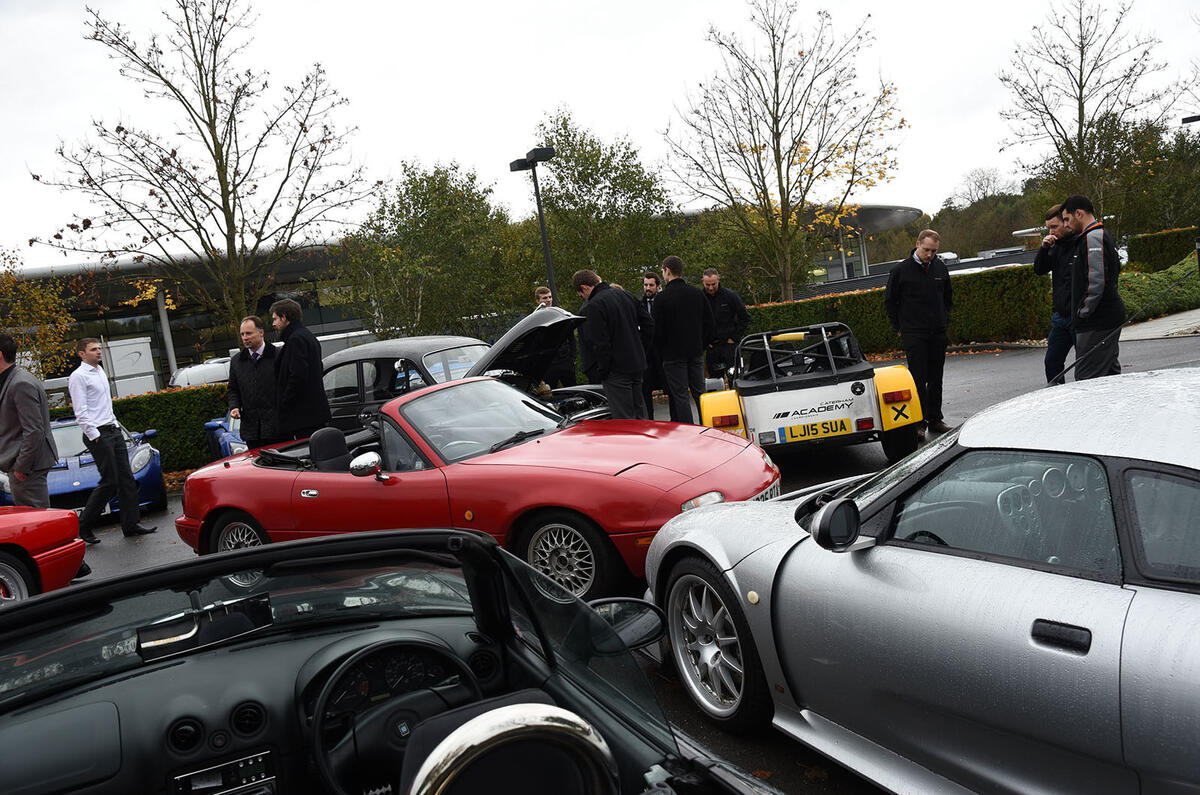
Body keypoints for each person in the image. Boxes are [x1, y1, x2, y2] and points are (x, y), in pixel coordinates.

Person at [67, 338, 156, 542]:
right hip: (98, 435)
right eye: (93, 349)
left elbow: (104, 405)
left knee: (126, 479)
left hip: (113, 430)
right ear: (81, 354)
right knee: (110, 482)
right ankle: (83, 526)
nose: (99, 352)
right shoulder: (78, 377)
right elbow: (80, 412)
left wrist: (115, 425)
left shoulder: (100, 371)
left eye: (99, 348)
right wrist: (95, 435)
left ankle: (131, 525)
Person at [884, 230, 953, 435]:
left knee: (936, 378)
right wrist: (899, 327)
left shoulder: (940, 268)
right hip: (914, 333)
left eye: (933, 251)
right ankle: (918, 422)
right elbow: (890, 301)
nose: (930, 254)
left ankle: (935, 419)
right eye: (926, 250)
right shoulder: (900, 270)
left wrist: (944, 319)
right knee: (918, 379)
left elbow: (947, 298)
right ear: (917, 244)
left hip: (937, 332)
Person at [572, 270, 654, 420]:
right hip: (637, 364)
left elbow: (600, 343)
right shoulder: (626, 295)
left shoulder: (594, 306)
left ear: (584, 288)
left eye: (581, 295)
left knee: (624, 420)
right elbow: (648, 324)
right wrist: (641, 349)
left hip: (616, 371)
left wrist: (603, 370)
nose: (583, 298)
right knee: (641, 415)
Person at [1062, 194, 1124, 380]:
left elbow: (1096, 281)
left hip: (1097, 321)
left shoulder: (1093, 238)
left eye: (1067, 219)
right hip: (1104, 318)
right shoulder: (1093, 236)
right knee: (1108, 376)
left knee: (1087, 380)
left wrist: (1082, 312)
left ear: (1079, 213)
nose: (1065, 224)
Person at [653, 256, 715, 424]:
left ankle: (689, 431)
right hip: (694, 351)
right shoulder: (696, 294)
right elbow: (709, 323)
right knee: (700, 393)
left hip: (672, 355)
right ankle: (707, 426)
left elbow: (657, 332)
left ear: (667, 270)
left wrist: (662, 351)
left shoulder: (661, 299)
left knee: (680, 396)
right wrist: (700, 344)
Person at [0, 334, 59, 509]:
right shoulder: (14, 379)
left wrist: (20, 468)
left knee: (38, 522)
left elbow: (34, 430)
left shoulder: (19, 383)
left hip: (27, 467)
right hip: (25, 465)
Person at [270, 298, 331, 440]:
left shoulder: (295, 340)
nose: (273, 324)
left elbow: (298, 376)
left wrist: (284, 403)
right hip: (311, 415)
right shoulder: (306, 336)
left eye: (275, 319)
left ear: (284, 317)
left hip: (303, 418)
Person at [1032, 204, 1076, 384]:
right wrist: (1043, 249)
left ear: (1066, 223)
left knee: (1085, 362)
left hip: (1078, 315)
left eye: (1054, 227)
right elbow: (1039, 269)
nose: (1051, 231)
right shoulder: (1054, 246)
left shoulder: (1079, 243)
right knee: (1052, 361)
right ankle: (1058, 399)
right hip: (1060, 317)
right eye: (1048, 227)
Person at [227, 316, 280, 449]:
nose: (245, 337)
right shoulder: (237, 361)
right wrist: (234, 407)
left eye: (248, 333)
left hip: (278, 428)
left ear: (261, 333)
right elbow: (233, 389)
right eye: (242, 334)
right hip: (252, 431)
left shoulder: (278, 356)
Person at [701, 268, 750, 381]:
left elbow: (745, 317)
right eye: (707, 284)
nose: (710, 288)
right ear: (702, 281)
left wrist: (734, 338)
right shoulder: (700, 298)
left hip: (730, 347)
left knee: (735, 380)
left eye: (713, 284)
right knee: (715, 383)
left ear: (718, 280)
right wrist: (705, 342)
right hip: (712, 348)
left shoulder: (730, 296)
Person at [534, 286, 577, 388]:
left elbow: (571, 338)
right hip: (548, 365)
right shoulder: (535, 318)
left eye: (550, 297)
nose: (548, 300)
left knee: (573, 390)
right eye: (545, 298)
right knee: (549, 394)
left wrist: (572, 358)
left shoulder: (561, 314)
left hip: (565, 362)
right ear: (537, 301)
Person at [640, 272, 665, 419]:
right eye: (645, 285)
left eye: (651, 285)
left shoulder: (663, 302)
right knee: (646, 391)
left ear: (658, 286)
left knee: (670, 389)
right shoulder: (639, 304)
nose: (648, 288)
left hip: (662, 353)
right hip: (647, 355)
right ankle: (649, 421)